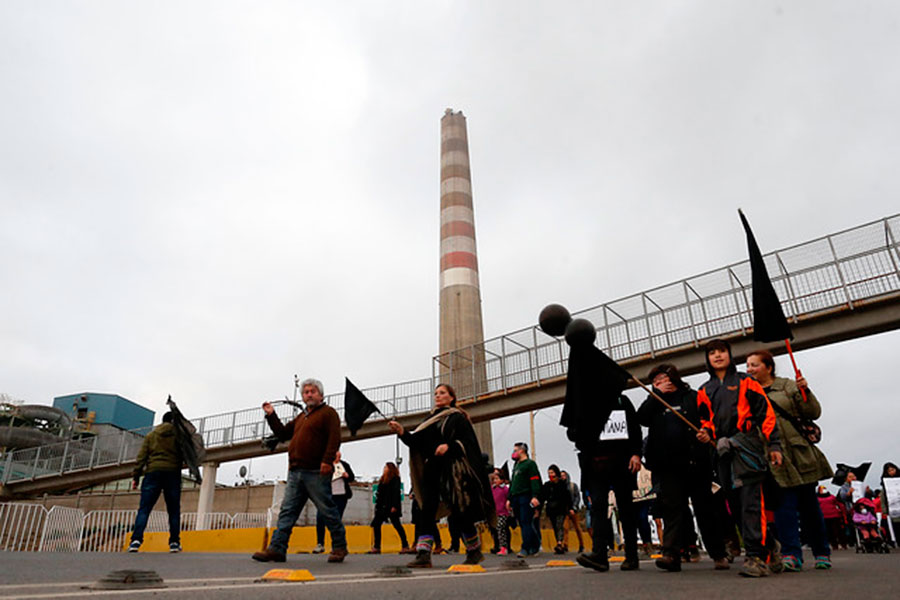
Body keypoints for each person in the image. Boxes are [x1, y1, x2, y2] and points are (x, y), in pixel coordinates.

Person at [696, 339, 782, 578]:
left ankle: (756, 557)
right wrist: (707, 434)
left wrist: (774, 444)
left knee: (751, 504)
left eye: (722, 351)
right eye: (712, 352)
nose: (717, 355)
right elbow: (707, 422)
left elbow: (765, 413)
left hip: (747, 448)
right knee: (736, 508)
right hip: (721, 453)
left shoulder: (747, 381)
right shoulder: (704, 391)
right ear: (708, 359)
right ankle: (770, 545)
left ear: (729, 354)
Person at [388, 384, 495, 568]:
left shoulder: (457, 418)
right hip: (432, 470)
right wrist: (402, 432)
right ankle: (423, 555)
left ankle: (474, 550)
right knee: (426, 510)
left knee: (459, 512)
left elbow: (469, 444)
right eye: (436, 393)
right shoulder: (429, 420)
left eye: (442, 393)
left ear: (452, 397)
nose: (438, 396)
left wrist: (449, 446)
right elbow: (417, 442)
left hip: (453, 470)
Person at [746, 349, 833, 571]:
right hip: (772, 457)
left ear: (769, 367)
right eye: (748, 366)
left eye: (754, 365)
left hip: (798, 453)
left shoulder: (786, 385)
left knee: (809, 507)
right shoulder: (748, 394)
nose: (750, 369)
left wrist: (805, 390)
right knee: (783, 507)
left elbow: (813, 411)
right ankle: (791, 554)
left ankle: (821, 552)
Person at [637, 363, 729, 572]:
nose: (658, 383)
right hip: (667, 465)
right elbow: (641, 418)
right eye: (655, 381)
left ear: (673, 378)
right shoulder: (654, 401)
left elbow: (711, 419)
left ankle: (718, 553)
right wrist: (655, 395)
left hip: (696, 462)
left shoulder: (693, 396)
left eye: (662, 379)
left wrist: (707, 432)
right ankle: (671, 554)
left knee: (705, 509)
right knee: (672, 510)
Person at [252, 378, 348, 563]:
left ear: (320, 395)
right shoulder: (301, 417)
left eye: (312, 391)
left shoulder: (329, 413)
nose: (309, 394)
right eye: (306, 392)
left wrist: (327, 461)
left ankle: (339, 547)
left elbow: (334, 438)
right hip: (296, 471)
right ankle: (277, 549)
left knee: (327, 510)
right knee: (287, 511)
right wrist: (271, 414)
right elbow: (282, 433)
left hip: (316, 472)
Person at [569, 393, 643, 572]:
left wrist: (636, 454)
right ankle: (599, 555)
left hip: (621, 463)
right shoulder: (581, 403)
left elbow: (634, 428)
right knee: (598, 508)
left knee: (626, 508)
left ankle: (631, 556)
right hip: (595, 466)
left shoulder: (621, 401)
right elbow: (572, 434)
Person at [128, 412, 184, 553]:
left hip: (153, 472)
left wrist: (136, 476)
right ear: (173, 421)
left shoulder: (151, 436)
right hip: (172, 473)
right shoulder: (179, 436)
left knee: (144, 509)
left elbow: (141, 457)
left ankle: (136, 541)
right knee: (173, 510)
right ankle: (174, 543)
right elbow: (187, 454)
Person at [313, 451, 355, 554]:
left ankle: (336, 545)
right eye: (336, 456)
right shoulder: (325, 464)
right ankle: (320, 543)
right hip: (326, 495)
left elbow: (352, 478)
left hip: (341, 496)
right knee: (320, 518)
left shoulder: (344, 465)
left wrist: (346, 475)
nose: (338, 458)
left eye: (339, 456)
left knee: (337, 520)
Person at [508, 442, 542, 557]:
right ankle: (535, 544)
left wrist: (535, 496)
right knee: (522, 523)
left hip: (525, 496)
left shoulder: (530, 464)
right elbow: (513, 482)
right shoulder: (516, 465)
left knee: (526, 521)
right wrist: (509, 498)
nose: (514, 453)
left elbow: (535, 480)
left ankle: (525, 548)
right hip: (516, 497)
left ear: (521, 450)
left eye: (515, 450)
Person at [368, 462, 411, 554]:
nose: (384, 469)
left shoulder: (395, 479)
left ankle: (405, 545)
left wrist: (394, 506)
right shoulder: (383, 479)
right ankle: (377, 546)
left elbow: (395, 493)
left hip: (390, 506)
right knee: (376, 525)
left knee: (397, 525)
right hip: (381, 507)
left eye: (386, 467)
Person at [540, 465, 573, 554]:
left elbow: (567, 497)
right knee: (555, 526)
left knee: (559, 525)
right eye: (549, 473)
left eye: (552, 473)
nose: (550, 475)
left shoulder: (562, 484)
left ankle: (559, 543)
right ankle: (558, 542)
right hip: (551, 509)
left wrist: (570, 508)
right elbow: (542, 497)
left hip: (561, 508)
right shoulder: (547, 485)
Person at [560, 470, 585, 553]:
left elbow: (577, 497)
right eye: (561, 475)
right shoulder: (560, 487)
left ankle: (581, 545)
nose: (562, 477)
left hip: (574, 510)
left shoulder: (573, 486)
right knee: (565, 528)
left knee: (577, 528)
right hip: (565, 511)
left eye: (564, 475)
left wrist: (574, 507)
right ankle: (565, 545)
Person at [490, 471, 512, 555]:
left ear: (502, 480)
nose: (495, 481)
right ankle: (500, 546)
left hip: (503, 512)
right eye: (494, 479)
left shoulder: (505, 489)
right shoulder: (493, 489)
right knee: (497, 529)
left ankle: (504, 547)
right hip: (496, 512)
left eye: (497, 479)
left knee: (501, 528)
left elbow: (509, 498)